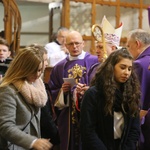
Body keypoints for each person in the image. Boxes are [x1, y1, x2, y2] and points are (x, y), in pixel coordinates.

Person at [80, 48, 141, 150]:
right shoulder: (93, 94)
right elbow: (88, 131)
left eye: (129, 69)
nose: (127, 73)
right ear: (111, 67)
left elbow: (134, 129)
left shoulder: (131, 94)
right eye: (122, 67)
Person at [48, 30, 98, 150]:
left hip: (90, 113)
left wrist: (89, 90)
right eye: (70, 44)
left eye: (77, 43)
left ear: (83, 43)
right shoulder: (59, 67)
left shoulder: (95, 62)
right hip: (68, 116)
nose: (74, 47)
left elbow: (102, 87)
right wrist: (62, 92)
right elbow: (52, 91)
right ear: (65, 46)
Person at [0, 47, 53, 150]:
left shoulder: (36, 85)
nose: (37, 75)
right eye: (34, 71)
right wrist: (32, 141)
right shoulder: (8, 89)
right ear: (23, 68)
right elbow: (5, 126)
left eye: (40, 70)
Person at [76, 16, 123, 97]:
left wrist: (92, 91)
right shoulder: (94, 67)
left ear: (113, 48)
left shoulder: (121, 68)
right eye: (97, 47)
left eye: (101, 47)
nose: (97, 50)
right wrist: (82, 89)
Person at [28, 44, 60, 148]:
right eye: (44, 59)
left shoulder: (40, 82)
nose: (46, 63)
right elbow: (44, 114)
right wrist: (55, 134)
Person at [126, 29, 150, 110]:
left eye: (128, 46)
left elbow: (137, 97)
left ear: (137, 44)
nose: (127, 50)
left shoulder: (138, 64)